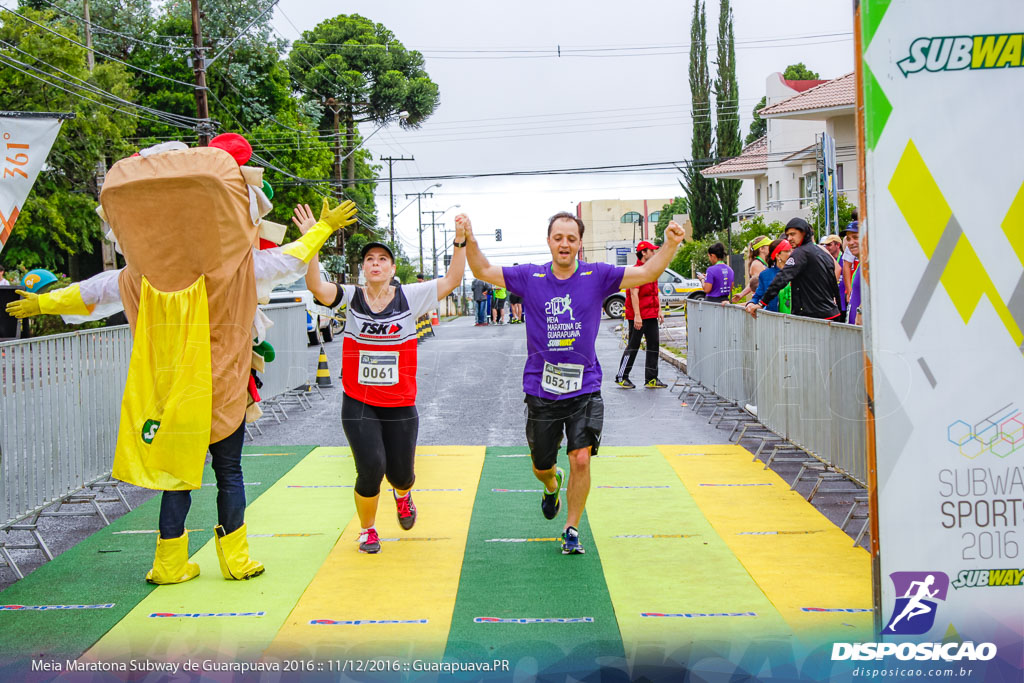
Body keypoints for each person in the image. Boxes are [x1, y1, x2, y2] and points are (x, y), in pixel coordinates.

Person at [5, 135, 350, 584]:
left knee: (177, 476)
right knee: (229, 472)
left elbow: (91, 292)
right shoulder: (237, 266)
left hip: (170, 394)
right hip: (223, 389)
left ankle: (169, 563)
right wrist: (322, 229)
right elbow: (289, 259)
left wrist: (44, 305)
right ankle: (235, 557)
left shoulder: (136, 277)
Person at [463, 211, 685, 555]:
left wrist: (670, 244)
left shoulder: (596, 275)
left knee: (581, 457)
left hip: (585, 385)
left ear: (580, 243)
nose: (564, 244)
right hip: (541, 388)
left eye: (571, 238)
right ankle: (552, 484)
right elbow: (481, 271)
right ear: (549, 241)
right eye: (558, 238)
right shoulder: (529, 277)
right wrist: (470, 238)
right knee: (541, 465)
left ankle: (571, 527)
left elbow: (647, 272)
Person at [293, 204, 468, 554]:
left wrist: (460, 243)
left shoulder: (410, 297)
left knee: (400, 473)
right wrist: (311, 238)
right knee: (371, 467)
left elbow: (452, 281)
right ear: (363, 269)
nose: (375, 263)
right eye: (369, 259)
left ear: (391, 268)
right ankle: (368, 530)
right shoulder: (350, 296)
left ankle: (403, 496)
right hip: (359, 401)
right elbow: (315, 285)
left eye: (382, 259)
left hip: (400, 402)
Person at [745, 217, 841, 320]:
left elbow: (782, 278)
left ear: (803, 233)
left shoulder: (800, 253)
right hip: (831, 314)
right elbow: (834, 283)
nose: (789, 238)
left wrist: (762, 303)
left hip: (813, 318)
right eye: (787, 235)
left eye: (793, 234)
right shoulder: (821, 252)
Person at [614, 240, 667, 389]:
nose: (654, 253)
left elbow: (654, 293)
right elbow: (634, 293)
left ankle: (651, 378)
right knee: (633, 345)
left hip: (651, 314)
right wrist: (637, 316)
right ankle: (621, 376)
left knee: (654, 345)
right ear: (643, 253)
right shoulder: (635, 271)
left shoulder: (651, 271)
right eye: (651, 251)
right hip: (638, 316)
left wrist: (659, 310)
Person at [747, 239, 793, 314]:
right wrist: (751, 303)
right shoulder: (765, 275)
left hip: (796, 321)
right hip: (774, 321)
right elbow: (758, 296)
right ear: (778, 256)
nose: (791, 253)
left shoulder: (797, 271)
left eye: (791, 250)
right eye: (787, 251)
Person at [731, 236, 771, 303]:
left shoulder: (762, 263)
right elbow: (760, 284)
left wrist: (741, 294)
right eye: (769, 245)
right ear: (761, 249)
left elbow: (753, 282)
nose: (771, 247)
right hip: (760, 301)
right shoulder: (757, 264)